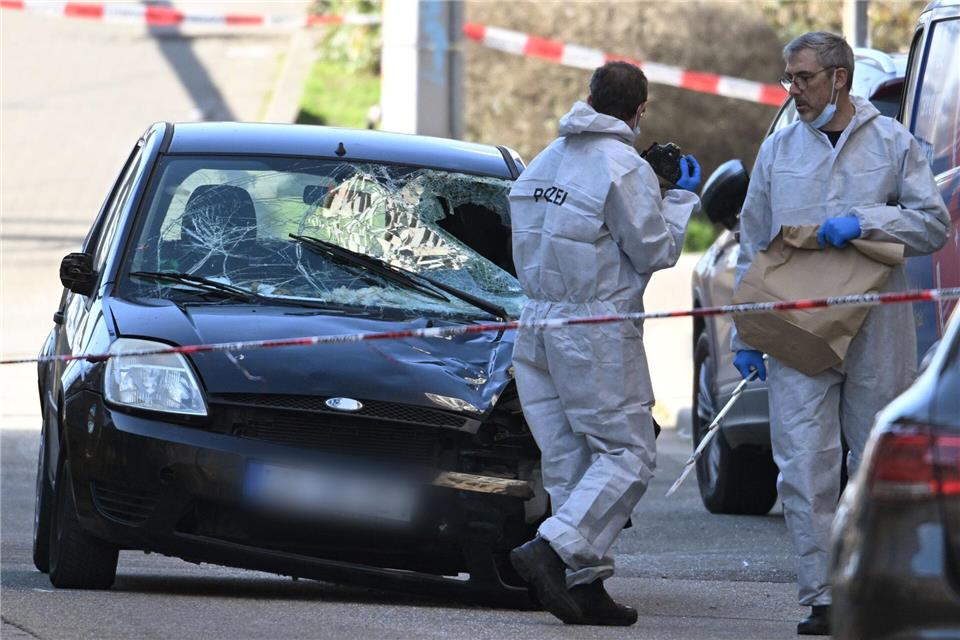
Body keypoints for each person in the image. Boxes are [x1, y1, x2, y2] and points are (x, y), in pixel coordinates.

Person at [731, 32, 950, 636]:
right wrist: (744, 333)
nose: (792, 90)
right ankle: (824, 597)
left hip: (877, 325)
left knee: (876, 463)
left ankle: (876, 588)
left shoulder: (892, 144)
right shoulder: (779, 151)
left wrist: (866, 222)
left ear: (839, 79)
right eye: (788, 78)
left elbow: (931, 226)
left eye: (801, 78)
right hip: (797, 324)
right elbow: (753, 241)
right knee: (803, 465)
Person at [507, 61, 701, 626]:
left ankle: (581, 587)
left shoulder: (546, 159)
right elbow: (654, 251)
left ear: (589, 98)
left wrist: (650, 182)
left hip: (537, 326)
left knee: (571, 460)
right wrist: (677, 196)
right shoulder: (623, 168)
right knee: (629, 453)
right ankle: (552, 549)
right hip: (592, 331)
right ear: (640, 111)